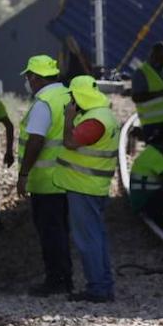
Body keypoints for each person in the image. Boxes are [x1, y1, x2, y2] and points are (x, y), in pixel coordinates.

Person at [54, 76, 120, 303]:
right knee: (97, 237)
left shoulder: (93, 121)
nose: (70, 101)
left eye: (72, 96)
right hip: (94, 187)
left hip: (84, 188)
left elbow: (70, 142)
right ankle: (104, 284)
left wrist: (68, 119)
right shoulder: (104, 115)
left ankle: (98, 289)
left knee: (87, 239)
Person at [16, 54, 74, 295]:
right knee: (62, 231)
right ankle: (65, 277)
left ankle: (57, 281)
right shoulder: (68, 95)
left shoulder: (44, 103)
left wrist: (23, 174)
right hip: (69, 177)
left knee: (50, 233)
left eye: (29, 76)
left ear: (37, 78)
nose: (28, 81)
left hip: (47, 182)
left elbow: (36, 140)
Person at [130, 41, 163, 158]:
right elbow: (136, 97)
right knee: (155, 154)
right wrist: (160, 94)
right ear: (153, 56)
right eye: (160, 58)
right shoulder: (141, 73)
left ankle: (161, 174)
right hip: (151, 123)